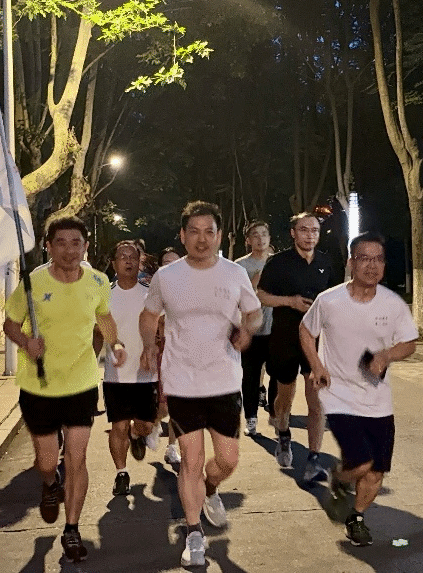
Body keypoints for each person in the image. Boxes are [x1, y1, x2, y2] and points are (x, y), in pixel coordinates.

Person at [140, 201, 261, 568]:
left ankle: (211, 489)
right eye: (194, 231)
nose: (202, 239)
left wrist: (247, 331)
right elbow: (149, 314)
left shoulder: (234, 273)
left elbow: (253, 312)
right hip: (182, 382)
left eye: (209, 231)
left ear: (219, 236)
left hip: (224, 380)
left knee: (227, 460)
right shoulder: (167, 276)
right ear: (182, 235)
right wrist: (148, 345)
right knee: (190, 461)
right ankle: (194, 534)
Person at [3, 216, 123, 562]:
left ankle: (72, 529)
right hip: (39, 386)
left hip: (80, 384)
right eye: (61, 243)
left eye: (76, 243)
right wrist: (26, 342)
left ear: (86, 246)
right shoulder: (32, 282)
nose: (69, 250)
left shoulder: (98, 281)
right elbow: (10, 324)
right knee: (46, 462)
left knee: (77, 458)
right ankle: (49, 482)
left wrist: (115, 343)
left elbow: (104, 317)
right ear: (48, 247)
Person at [300, 232, 417, 546]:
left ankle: (357, 516)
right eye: (364, 258)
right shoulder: (329, 300)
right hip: (338, 395)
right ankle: (341, 476)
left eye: (378, 259)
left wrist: (386, 355)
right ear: (352, 262)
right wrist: (317, 366)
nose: (372, 265)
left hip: (378, 400)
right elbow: (306, 331)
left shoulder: (392, 304)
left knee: (376, 471)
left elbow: (409, 343)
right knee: (363, 462)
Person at [259, 212, 339, 481]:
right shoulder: (278, 262)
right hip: (285, 337)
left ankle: (313, 459)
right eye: (304, 230)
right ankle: (283, 432)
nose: (310, 235)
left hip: (316, 341)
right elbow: (261, 295)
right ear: (293, 233)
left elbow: (336, 297)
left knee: (317, 400)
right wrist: (290, 302)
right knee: (285, 398)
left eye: (314, 230)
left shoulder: (326, 262)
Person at [101, 240, 159, 496]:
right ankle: (121, 473)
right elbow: (96, 330)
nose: (128, 261)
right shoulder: (105, 295)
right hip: (116, 374)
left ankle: (138, 435)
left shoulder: (150, 294)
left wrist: (155, 349)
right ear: (113, 263)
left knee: (145, 425)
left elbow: (163, 326)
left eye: (132, 257)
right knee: (118, 426)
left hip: (146, 373)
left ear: (139, 262)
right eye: (122, 256)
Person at [235, 220, 274, 436]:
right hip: (251, 331)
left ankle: (277, 414)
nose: (261, 239)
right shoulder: (240, 266)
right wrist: (255, 283)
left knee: (278, 373)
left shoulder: (278, 263)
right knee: (250, 377)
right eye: (255, 235)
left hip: (276, 329)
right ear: (248, 240)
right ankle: (251, 418)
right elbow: (237, 299)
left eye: (264, 234)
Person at [156, 247, 184, 470]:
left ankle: (172, 446)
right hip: (161, 351)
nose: (171, 267)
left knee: (178, 403)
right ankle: (154, 423)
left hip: (183, 354)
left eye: (175, 262)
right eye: (166, 262)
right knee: (163, 407)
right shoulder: (154, 289)